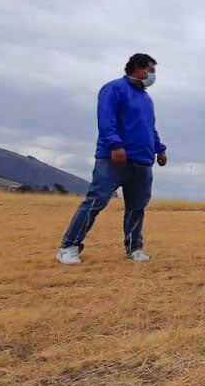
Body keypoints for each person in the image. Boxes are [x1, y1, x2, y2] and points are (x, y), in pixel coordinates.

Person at [56, 54, 167, 265]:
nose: (153, 75)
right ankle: (69, 247)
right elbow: (107, 120)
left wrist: (159, 149)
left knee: (137, 207)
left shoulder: (146, 99)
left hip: (142, 161)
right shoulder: (113, 89)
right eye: (150, 70)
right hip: (114, 160)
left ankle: (134, 248)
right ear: (137, 68)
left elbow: (149, 128)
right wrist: (115, 145)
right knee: (95, 202)